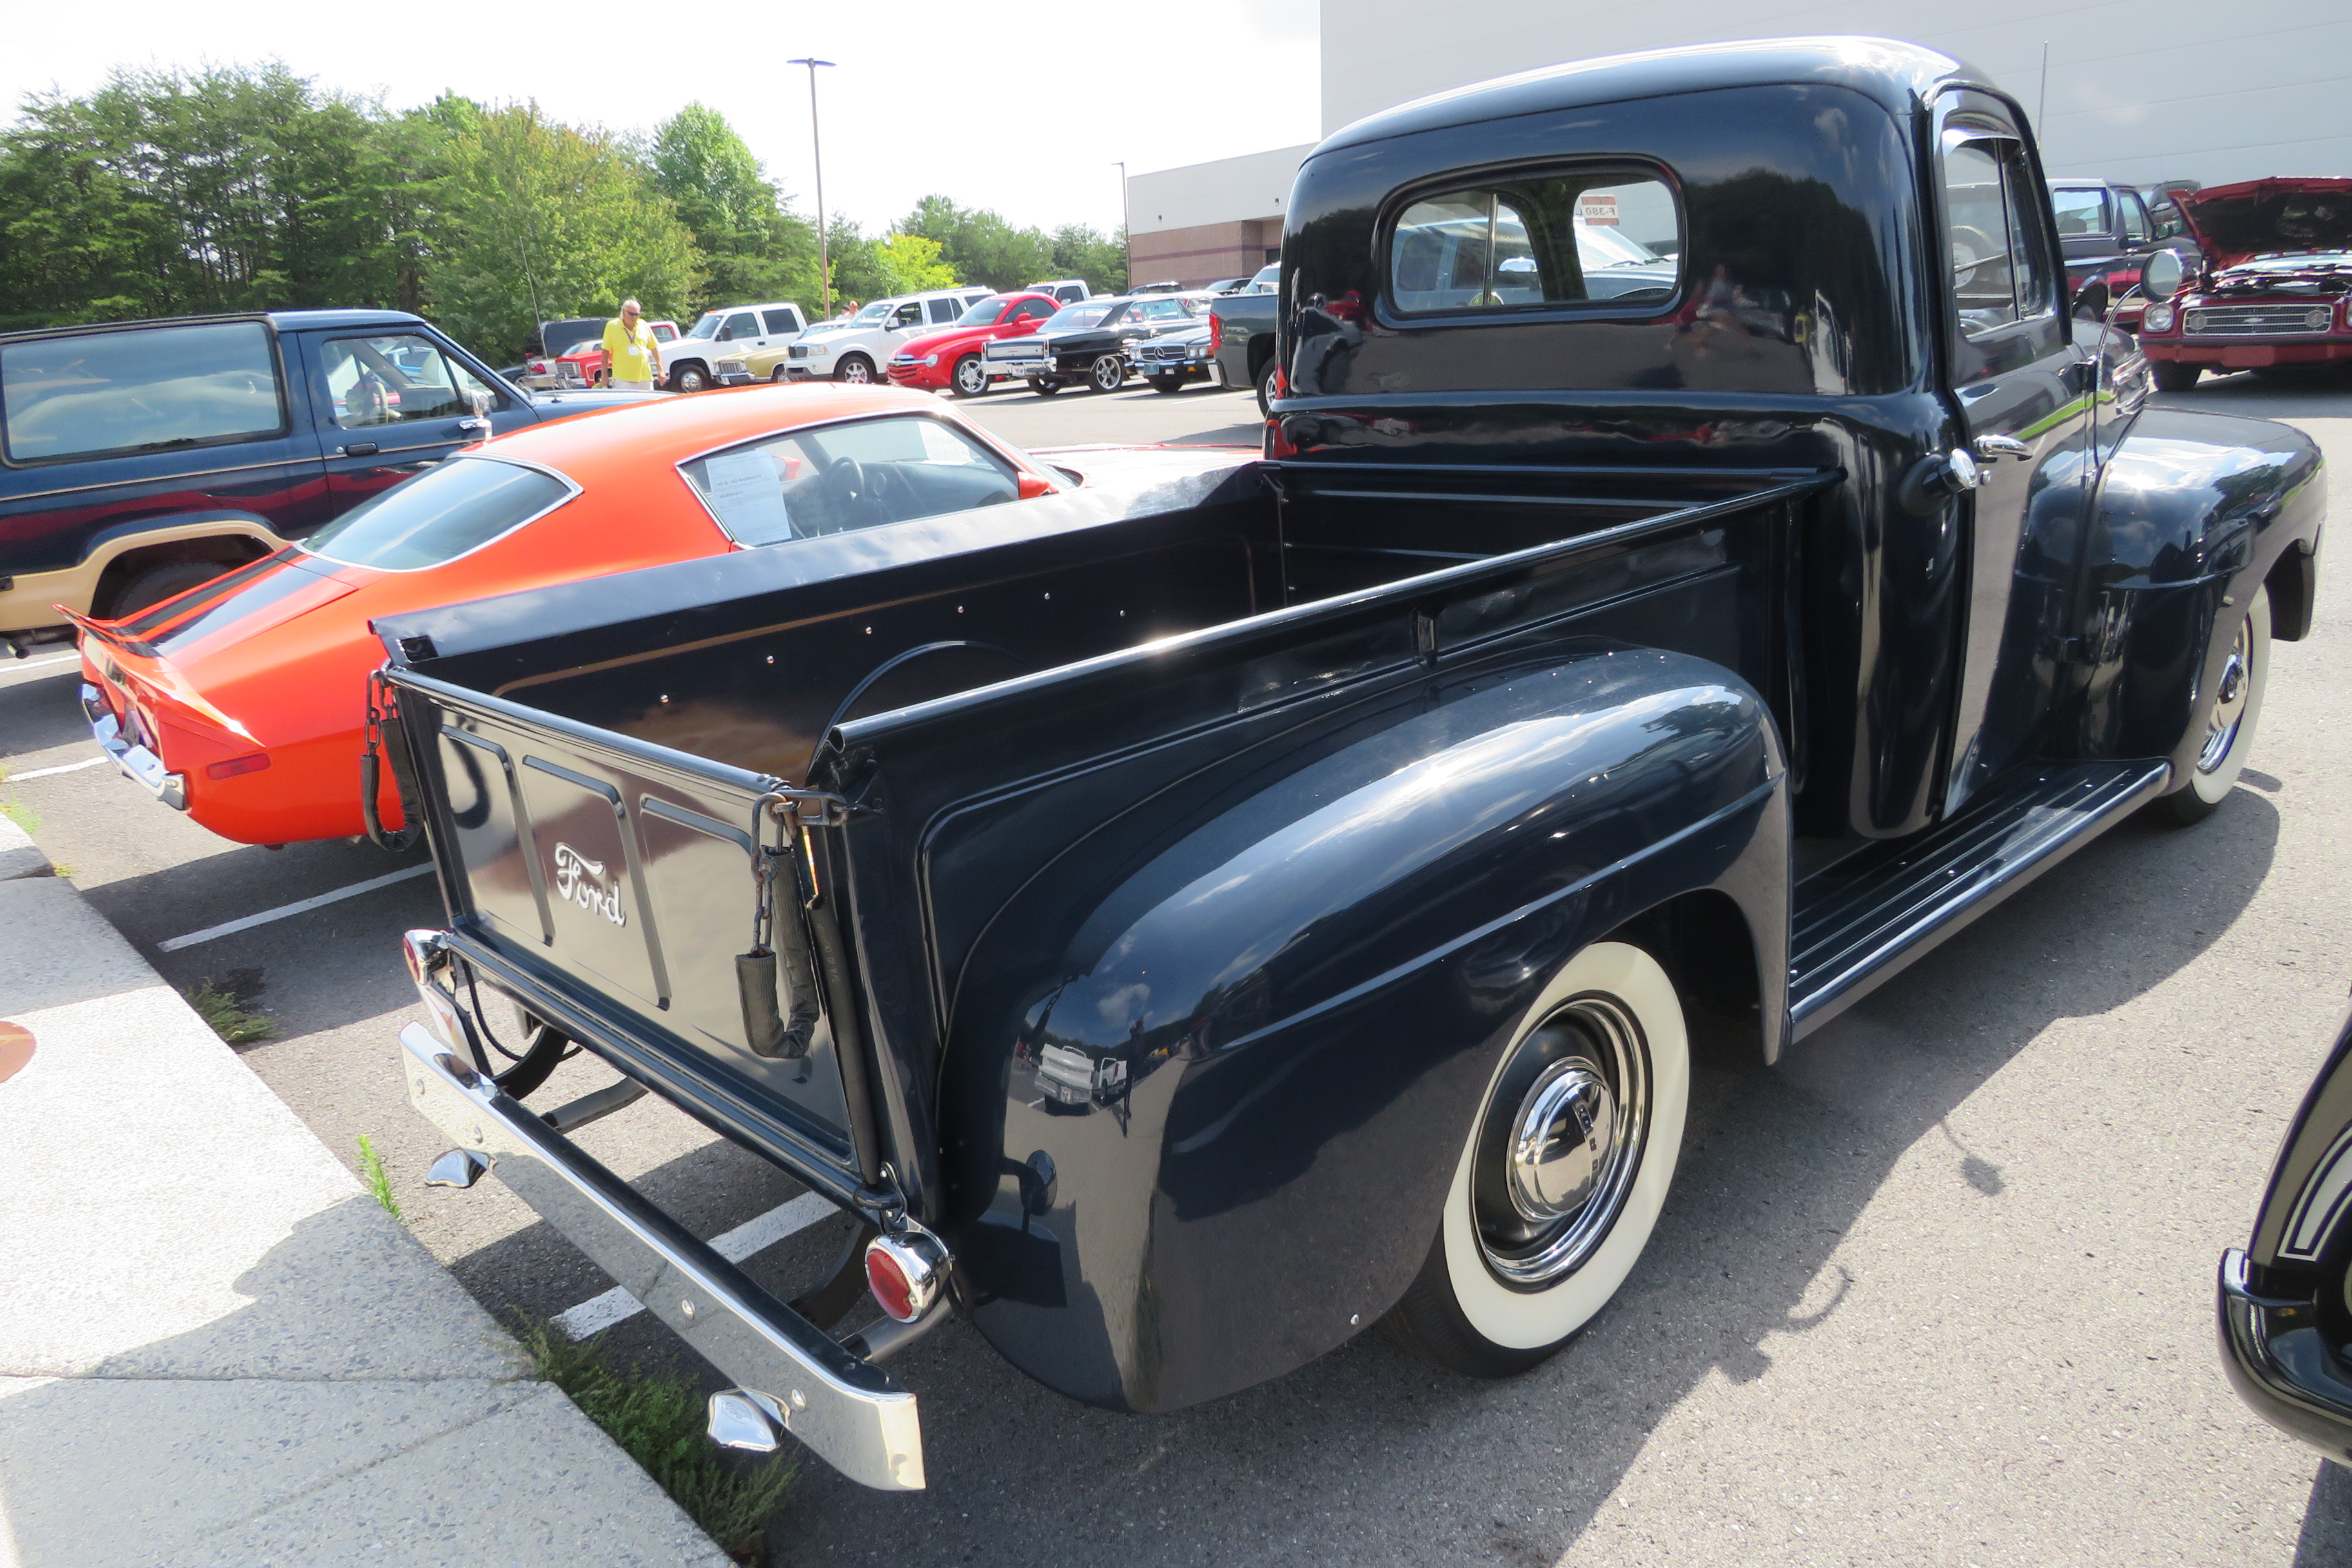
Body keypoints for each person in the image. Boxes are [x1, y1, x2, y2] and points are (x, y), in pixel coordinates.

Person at [602, 300, 665, 391]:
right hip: (623, 379)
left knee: (647, 404)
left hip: (645, 377)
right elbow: (605, 351)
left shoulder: (643, 325)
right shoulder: (612, 326)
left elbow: (654, 348)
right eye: (632, 314)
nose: (635, 317)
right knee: (628, 404)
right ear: (623, 312)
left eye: (637, 314)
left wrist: (661, 370)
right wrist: (604, 375)